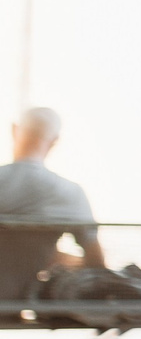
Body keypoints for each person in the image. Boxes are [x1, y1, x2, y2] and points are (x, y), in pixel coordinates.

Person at [0, 108, 106, 289]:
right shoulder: (71, 193)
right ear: (55, 141)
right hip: (17, 302)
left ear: (14, 130)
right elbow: (96, 262)